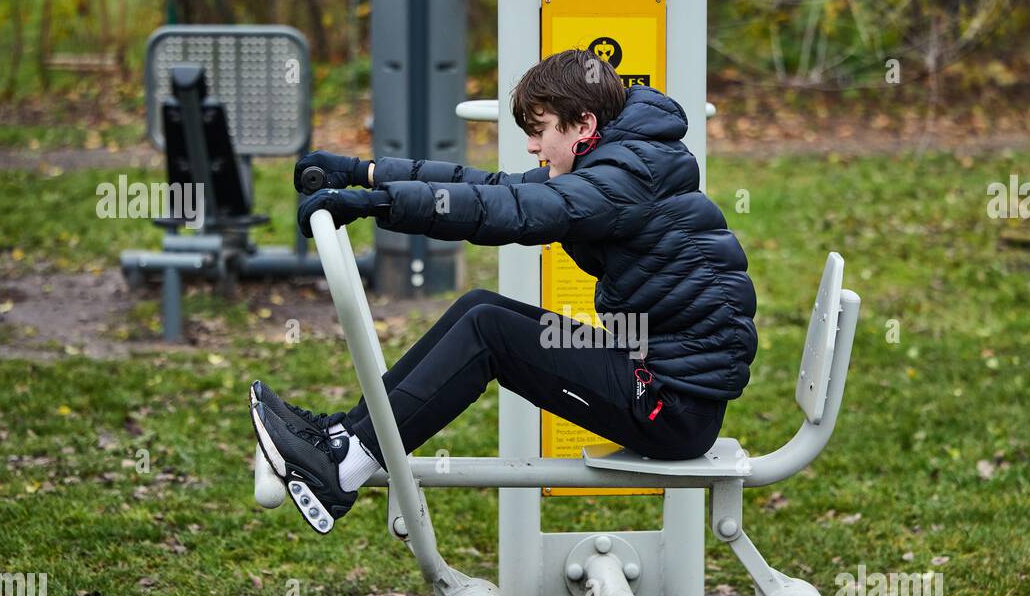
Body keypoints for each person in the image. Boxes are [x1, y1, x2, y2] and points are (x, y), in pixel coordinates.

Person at [250, 48, 757, 535]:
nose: (533, 147)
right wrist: (366, 172)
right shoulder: (625, 161)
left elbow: (509, 213)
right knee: (481, 309)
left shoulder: (618, 183)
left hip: (669, 405)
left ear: (584, 126)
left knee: (487, 330)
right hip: (653, 368)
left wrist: (377, 205)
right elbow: (496, 185)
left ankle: (342, 469)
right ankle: (342, 438)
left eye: (539, 132)